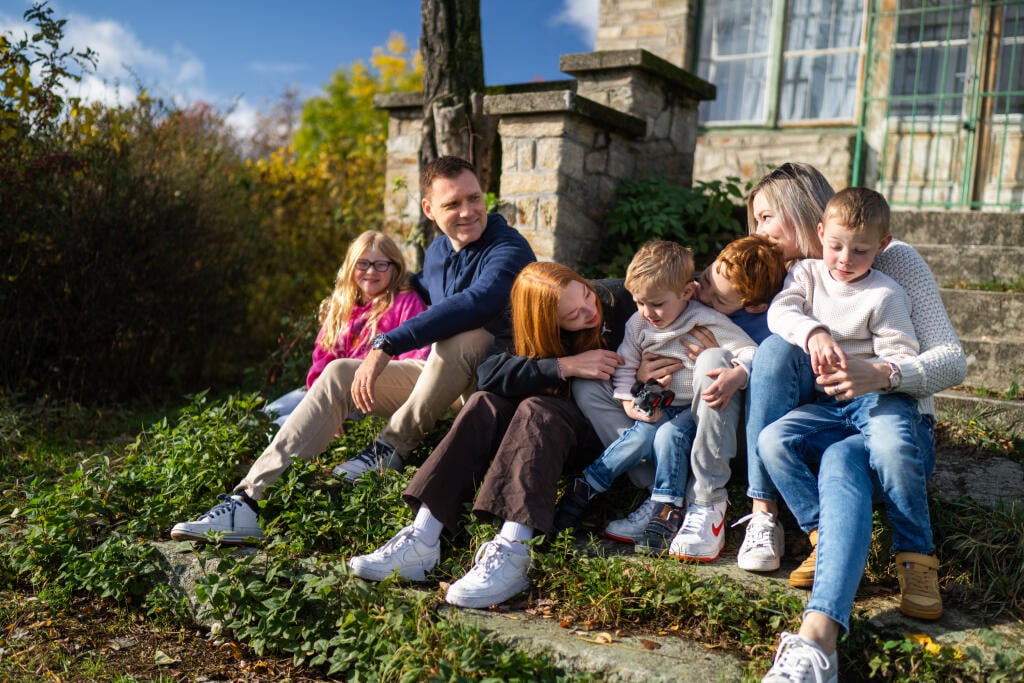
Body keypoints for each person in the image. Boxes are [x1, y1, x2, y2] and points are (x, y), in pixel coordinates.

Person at [170, 156, 536, 545]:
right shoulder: (437, 253)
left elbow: (475, 302)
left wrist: (387, 343)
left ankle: (389, 447)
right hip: (440, 379)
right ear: (429, 209)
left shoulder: (507, 249)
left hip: (491, 389)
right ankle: (248, 501)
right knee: (341, 372)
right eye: (452, 204)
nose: (468, 211)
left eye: (474, 198)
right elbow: (422, 289)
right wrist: (379, 277)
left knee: (468, 335)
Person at [736, 166, 966, 683]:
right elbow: (773, 314)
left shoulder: (890, 273)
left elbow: (948, 360)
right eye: (754, 219)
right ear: (822, 234)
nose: (759, 230)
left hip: (886, 413)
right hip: (830, 419)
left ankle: (833, 628)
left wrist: (883, 373)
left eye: (767, 216)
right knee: (791, 416)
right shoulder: (801, 273)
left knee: (849, 456)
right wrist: (812, 334)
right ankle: (780, 524)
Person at [347, 262, 635, 609]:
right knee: (485, 402)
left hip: (605, 434)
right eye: (572, 315)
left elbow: (678, 285)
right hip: (545, 438)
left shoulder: (619, 297)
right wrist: (564, 366)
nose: (589, 311)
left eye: (586, 295)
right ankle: (423, 536)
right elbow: (489, 373)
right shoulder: (521, 324)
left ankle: (514, 549)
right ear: (546, 322)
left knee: (538, 409)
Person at [570, 235, 786, 549]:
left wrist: (734, 370)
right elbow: (627, 362)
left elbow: (751, 353)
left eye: (718, 297)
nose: (702, 292)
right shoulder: (646, 317)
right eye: (705, 279)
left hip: (702, 414)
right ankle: (606, 487)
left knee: (667, 434)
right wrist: (633, 393)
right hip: (658, 402)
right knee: (635, 426)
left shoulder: (712, 319)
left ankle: (676, 506)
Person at [263, 231, 430, 428]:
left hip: (367, 397)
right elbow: (323, 356)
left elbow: (414, 361)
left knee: (283, 425)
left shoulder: (405, 302)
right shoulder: (342, 305)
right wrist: (320, 393)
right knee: (264, 418)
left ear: (395, 267)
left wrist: (333, 412)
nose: (371, 271)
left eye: (381, 264)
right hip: (326, 389)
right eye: (363, 264)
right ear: (351, 267)